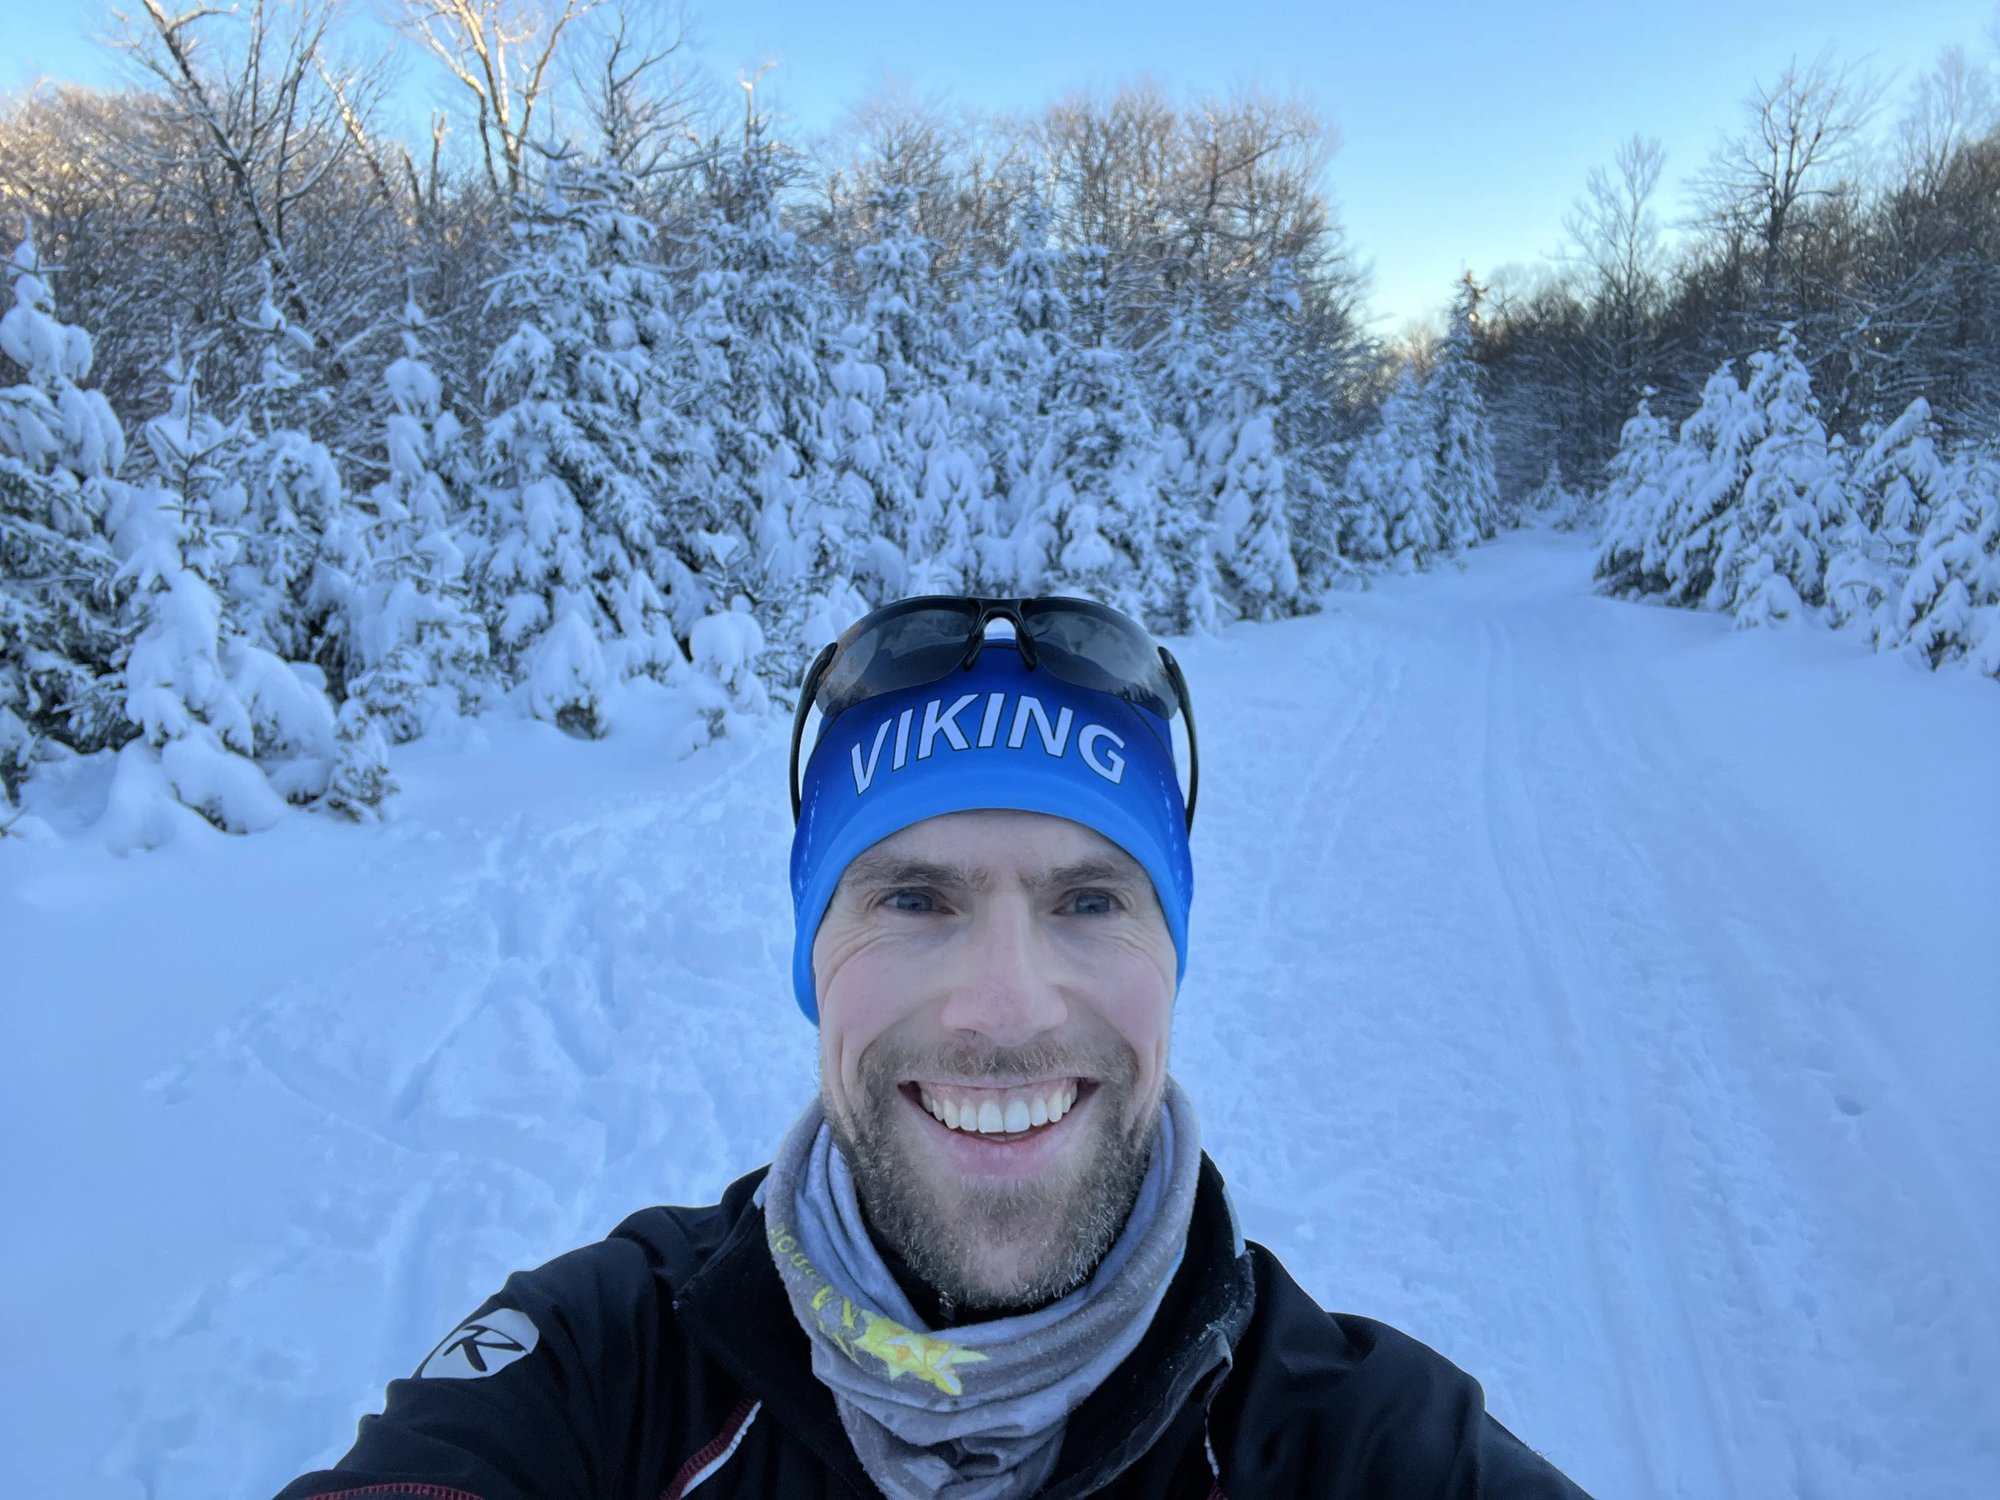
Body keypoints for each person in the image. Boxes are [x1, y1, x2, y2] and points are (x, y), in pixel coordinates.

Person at [276, 596, 1592, 1499]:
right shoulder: (607, 1363)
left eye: (1088, 901)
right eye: (913, 898)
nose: (1006, 1008)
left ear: (1168, 957)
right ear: (815, 955)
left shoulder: (1362, 1446)